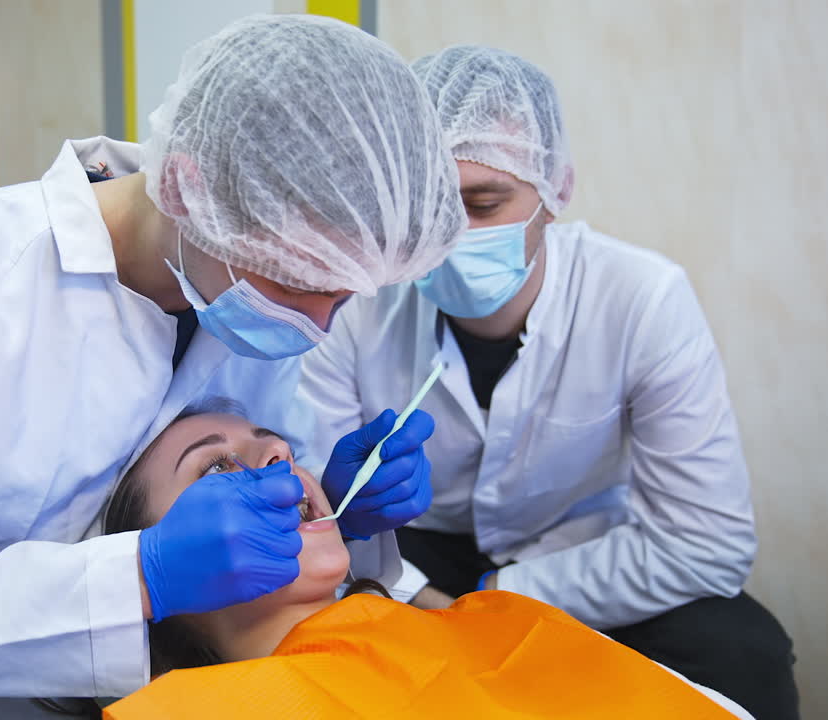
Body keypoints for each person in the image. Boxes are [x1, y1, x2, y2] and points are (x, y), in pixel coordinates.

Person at [0, 16, 465, 719]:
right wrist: (141, 577)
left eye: (343, 294)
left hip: (199, 679)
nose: (316, 325)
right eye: (294, 284)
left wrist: (342, 511)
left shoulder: (244, 292)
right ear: (188, 194)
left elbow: (254, 506)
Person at [297, 45, 799, 720]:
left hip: (579, 556)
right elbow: (318, 512)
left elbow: (706, 544)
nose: (449, 237)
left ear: (555, 192)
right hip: (407, 554)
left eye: (483, 203)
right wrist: (406, 583)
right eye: (432, 208)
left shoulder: (641, 299)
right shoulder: (356, 299)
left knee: (745, 654)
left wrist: (497, 591)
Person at [44, 403, 754, 719]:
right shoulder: (181, 712)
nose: (276, 458)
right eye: (214, 470)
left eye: (271, 440)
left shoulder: (501, 624)